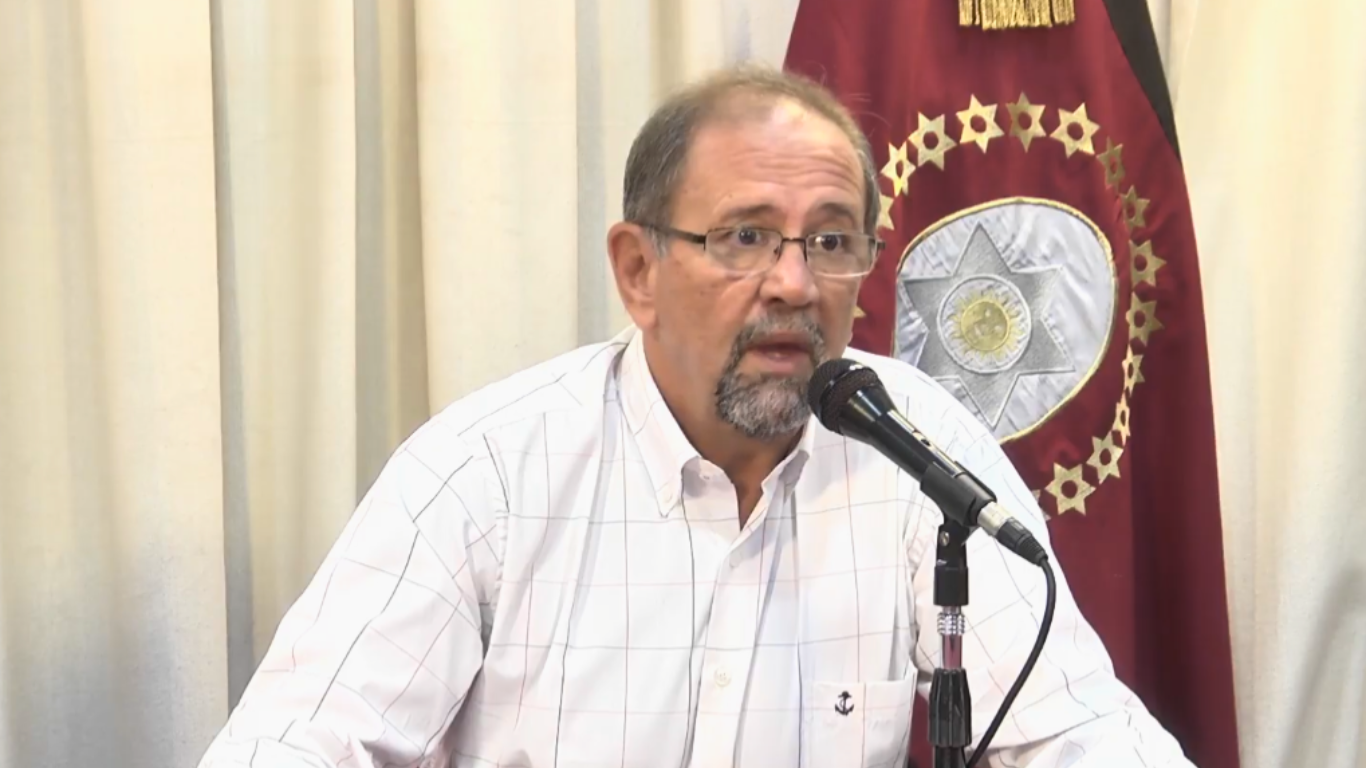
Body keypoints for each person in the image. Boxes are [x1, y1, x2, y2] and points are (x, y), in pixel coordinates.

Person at [195, 65, 1194, 768]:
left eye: (831, 241)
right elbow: (295, 743)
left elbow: (1077, 732)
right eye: (744, 237)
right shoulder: (488, 472)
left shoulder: (911, 448)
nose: (794, 285)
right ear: (639, 269)